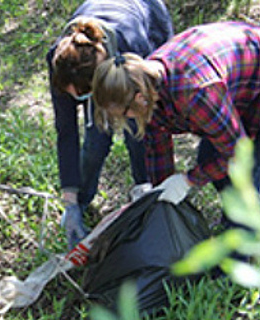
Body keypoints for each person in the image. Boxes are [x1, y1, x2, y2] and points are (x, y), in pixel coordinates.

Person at [91, 22, 260, 230]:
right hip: (241, 87)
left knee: (240, 181)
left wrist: (188, 180)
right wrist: (159, 196)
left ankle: (236, 274)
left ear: (138, 98)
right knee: (211, 159)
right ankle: (231, 229)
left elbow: (237, 153)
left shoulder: (195, 92)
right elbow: (158, 146)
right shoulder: (147, 83)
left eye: (125, 113)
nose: (128, 119)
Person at [47, 0, 174, 249]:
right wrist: (70, 200)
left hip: (147, 15)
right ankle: (82, 200)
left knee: (136, 128)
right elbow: (66, 132)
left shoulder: (133, 46)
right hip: (93, 69)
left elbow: (147, 116)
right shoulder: (61, 62)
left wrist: (149, 183)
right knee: (96, 142)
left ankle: (144, 188)